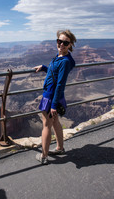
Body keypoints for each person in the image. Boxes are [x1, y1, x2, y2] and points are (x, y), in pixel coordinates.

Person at [34, 29, 76, 165]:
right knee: (55, 122)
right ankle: (60, 148)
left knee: (46, 125)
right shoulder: (60, 57)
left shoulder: (65, 61)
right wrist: (45, 67)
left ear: (70, 45)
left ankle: (44, 156)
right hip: (53, 96)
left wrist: (53, 105)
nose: (61, 44)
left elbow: (60, 84)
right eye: (59, 41)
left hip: (51, 96)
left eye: (65, 43)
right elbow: (55, 72)